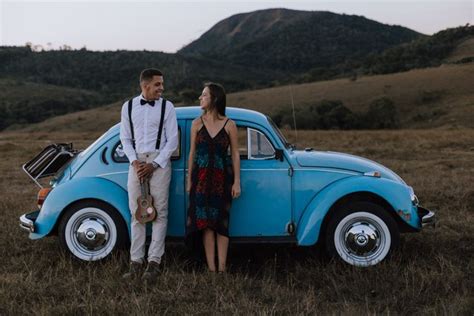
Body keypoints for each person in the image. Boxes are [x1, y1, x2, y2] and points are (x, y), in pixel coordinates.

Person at [120, 68, 178, 281]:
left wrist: (153, 164)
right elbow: (125, 139)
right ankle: (136, 261)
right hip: (135, 162)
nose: (161, 88)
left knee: (159, 212)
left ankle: (154, 262)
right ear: (145, 86)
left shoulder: (167, 107)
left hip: (159, 163)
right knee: (137, 212)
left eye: (162, 84)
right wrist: (135, 162)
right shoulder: (128, 107)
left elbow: (172, 141)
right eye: (157, 85)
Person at [186, 82, 241, 273]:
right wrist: (189, 181)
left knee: (221, 223)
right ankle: (211, 269)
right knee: (206, 225)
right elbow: (192, 154)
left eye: (204, 95)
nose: (200, 98)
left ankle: (223, 268)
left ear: (214, 98)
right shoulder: (196, 123)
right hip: (200, 179)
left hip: (222, 179)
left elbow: (234, 154)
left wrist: (237, 182)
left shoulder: (229, 124)